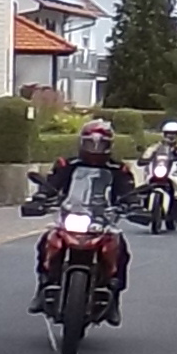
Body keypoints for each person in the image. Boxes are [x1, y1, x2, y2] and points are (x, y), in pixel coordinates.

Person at [31, 119, 134, 317]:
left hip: (102, 220)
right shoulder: (67, 164)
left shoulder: (118, 169)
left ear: (109, 145)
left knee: (121, 250)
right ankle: (42, 285)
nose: (95, 148)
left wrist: (134, 205)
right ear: (81, 143)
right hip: (71, 214)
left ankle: (114, 297)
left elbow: (128, 192)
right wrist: (40, 198)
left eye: (101, 144)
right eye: (90, 143)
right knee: (46, 241)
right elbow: (51, 185)